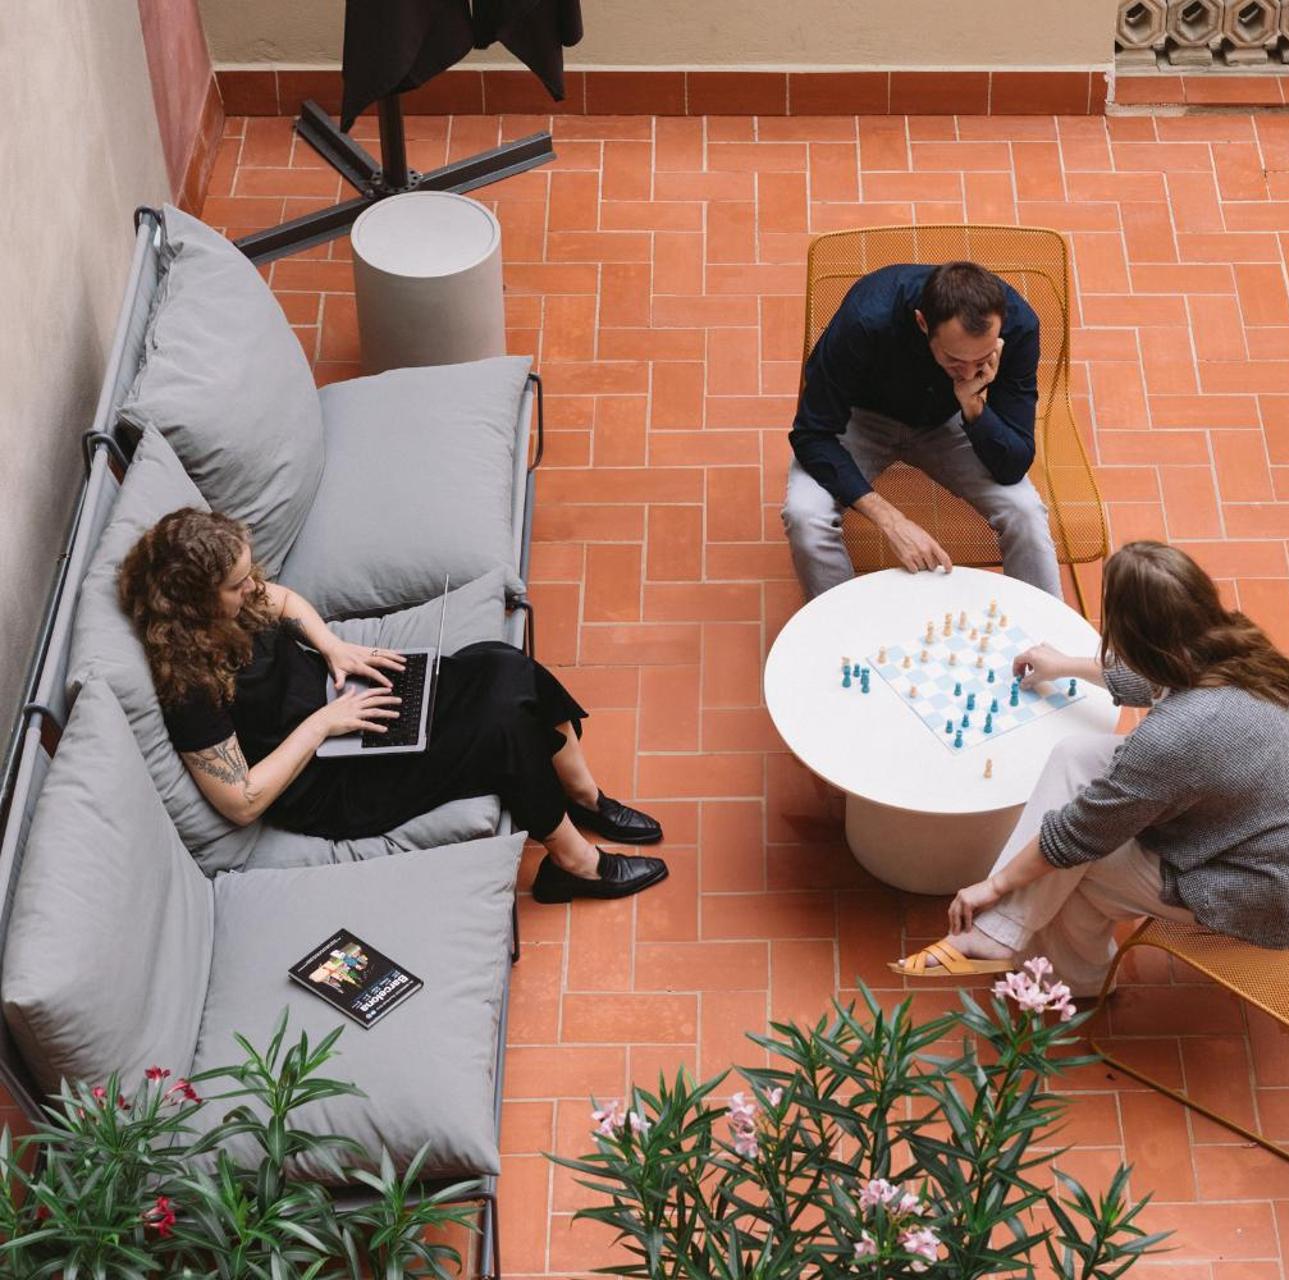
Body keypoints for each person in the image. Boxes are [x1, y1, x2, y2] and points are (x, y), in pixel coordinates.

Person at [121, 509, 666, 904]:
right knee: (503, 728)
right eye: (240, 584)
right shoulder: (188, 688)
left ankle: (583, 797)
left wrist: (331, 645)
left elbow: (282, 601)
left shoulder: (232, 607)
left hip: (351, 708)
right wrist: (323, 724)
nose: (256, 587)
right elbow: (241, 801)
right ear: (195, 597)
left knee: (505, 665)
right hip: (333, 782)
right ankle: (575, 864)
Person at [890, 541, 1289, 996]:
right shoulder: (1236, 644)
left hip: (1253, 888)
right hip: (1259, 827)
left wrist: (994, 884)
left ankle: (1065, 981)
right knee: (1074, 756)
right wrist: (1063, 665)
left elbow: (1079, 834)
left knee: (1076, 871)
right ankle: (1006, 935)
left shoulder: (1176, 736)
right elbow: (1160, 676)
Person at [782, 260, 1062, 600]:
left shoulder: (1018, 326)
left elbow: (1013, 464)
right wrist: (892, 521)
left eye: (983, 359)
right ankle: (844, 630)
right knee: (805, 517)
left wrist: (973, 404)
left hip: (951, 420)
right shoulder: (865, 318)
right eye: (955, 360)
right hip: (860, 419)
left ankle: (1043, 640)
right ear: (922, 322)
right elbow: (812, 432)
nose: (970, 370)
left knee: (1026, 513)